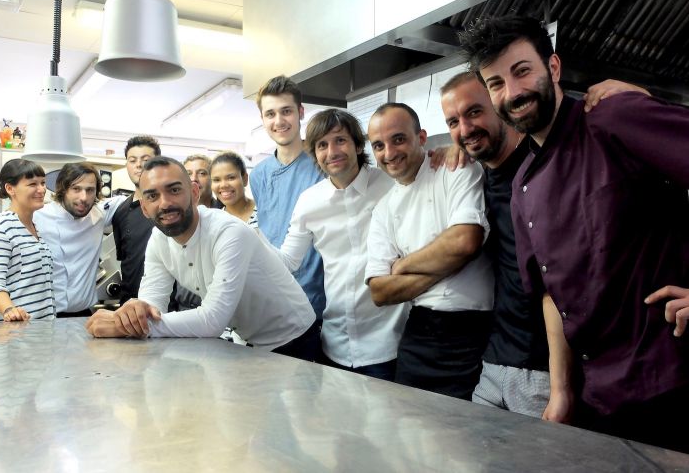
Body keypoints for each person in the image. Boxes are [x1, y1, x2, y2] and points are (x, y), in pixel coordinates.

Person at [459, 14, 689, 453]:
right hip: (598, 399)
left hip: (671, 384)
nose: (513, 92)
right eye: (496, 83)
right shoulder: (523, 182)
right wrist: (562, 392)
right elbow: (551, 294)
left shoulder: (612, 116)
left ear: (554, 68)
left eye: (522, 70)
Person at [440, 72, 649, 418]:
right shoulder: (473, 176)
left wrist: (642, 96)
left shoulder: (545, 161)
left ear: (499, 106)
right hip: (494, 364)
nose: (465, 128)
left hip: (548, 369)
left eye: (474, 112)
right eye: (453, 122)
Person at [85, 157, 318, 361]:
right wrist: (135, 315)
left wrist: (123, 326)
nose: (165, 203)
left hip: (294, 338)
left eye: (174, 190)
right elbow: (152, 307)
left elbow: (212, 319)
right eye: (153, 196)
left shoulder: (229, 232)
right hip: (249, 342)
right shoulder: (158, 238)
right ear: (145, 208)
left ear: (194, 193)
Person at [364, 102, 494, 399]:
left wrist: (402, 266)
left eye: (398, 139)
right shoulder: (384, 208)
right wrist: (451, 261)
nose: (389, 153)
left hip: (473, 334)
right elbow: (380, 292)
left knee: (465, 436)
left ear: (421, 137)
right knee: (408, 430)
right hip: (420, 332)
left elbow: (465, 242)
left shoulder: (456, 168)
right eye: (379, 145)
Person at [274, 108, 407, 380]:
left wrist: (449, 152)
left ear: (358, 145)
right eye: (322, 145)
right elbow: (287, 262)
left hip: (389, 344)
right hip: (333, 343)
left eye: (340, 140)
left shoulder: (392, 183)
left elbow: (428, 168)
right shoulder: (309, 200)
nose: (331, 151)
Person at [0, 162, 126, 317]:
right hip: (32, 318)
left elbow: (136, 198)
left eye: (43, 183)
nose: (83, 197)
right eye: (76, 188)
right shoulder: (30, 217)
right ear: (62, 190)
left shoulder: (98, 214)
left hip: (77, 315)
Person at [251, 75, 326, 323]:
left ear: (300, 112)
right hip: (273, 300)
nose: (279, 121)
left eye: (286, 111)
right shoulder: (259, 174)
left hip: (318, 299)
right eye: (270, 114)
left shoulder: (324, 163)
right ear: (262, 119)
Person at [0, 159, 55, 322]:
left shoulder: (34, 228)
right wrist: (9, 309)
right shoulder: (0, 227)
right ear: (10, 188)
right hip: (10, 333)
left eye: (43, 183)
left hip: (36, 332)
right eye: (32, 184)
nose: (41, 189)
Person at [112, 135, 161, 303]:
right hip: (129, 306)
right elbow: (126, 261)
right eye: (132, 160)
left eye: (145, 159)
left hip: (167, 307)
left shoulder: (170, 207)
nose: (138, 165)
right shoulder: (121, 212)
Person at [209, 151, 257, 227]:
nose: (223, 185)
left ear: (245, 179)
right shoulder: (214, 222)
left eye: (231, 178)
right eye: (216, 180)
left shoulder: (265, 210)